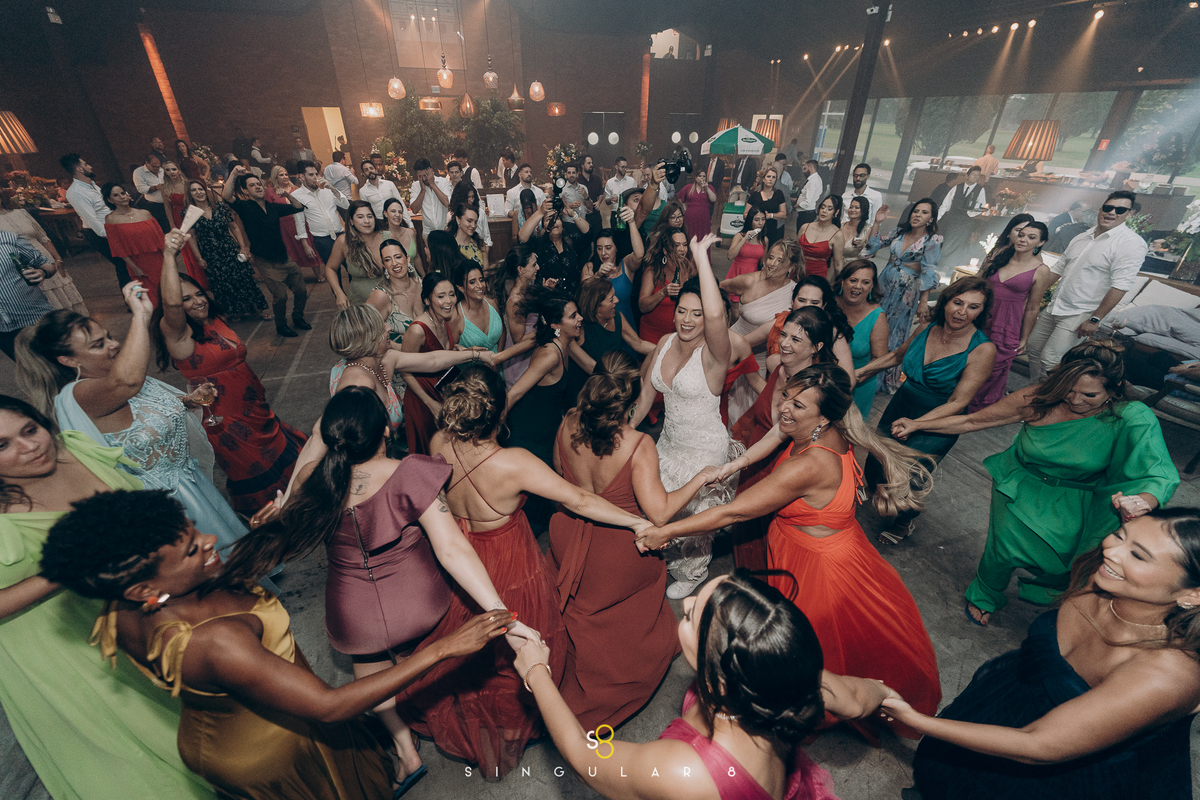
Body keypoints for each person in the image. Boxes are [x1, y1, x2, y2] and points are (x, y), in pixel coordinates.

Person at [38, 488, 510, 800]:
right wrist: (444, 649)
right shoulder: (216, 643)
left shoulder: (125, 603)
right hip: (273, 749)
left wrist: (266, 536)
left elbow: (224, 589)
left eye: (193, 531)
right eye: (190, 549)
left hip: (233, 723)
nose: (208, 539)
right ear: (143, 590)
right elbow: (328, 706)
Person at [642, 363, 941, 733]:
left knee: (810, 652)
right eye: (787, 396)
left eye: (798, 406)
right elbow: (774, 439)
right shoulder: (824, 432)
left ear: (823, 416)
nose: (784, 407)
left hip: (819, 570)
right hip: (829, 549)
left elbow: (732, 511)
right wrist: (730, 466)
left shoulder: (810, 465)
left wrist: (666, 531)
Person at [272, 387, 537, 792]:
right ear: (385, 430)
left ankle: (406, 751)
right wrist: (501, 615)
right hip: (419, 603)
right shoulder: (409, 472)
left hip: (353, 613)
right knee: (438, 659)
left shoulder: (312, 478)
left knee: (369, 676)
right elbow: (451, 550)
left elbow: (308, 460)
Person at [396, 364, 650, 778]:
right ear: (499, 412)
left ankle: (479, 718)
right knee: (524, 635)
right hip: (511, 561)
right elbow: (580, 501)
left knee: (476, 644)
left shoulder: (439, 441)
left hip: (463, 556)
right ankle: (521, 716)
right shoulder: (514, 462)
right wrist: (636, 521)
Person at [891, 509, 1200, 800]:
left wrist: (911, 718)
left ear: (1192, 594)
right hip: (1011, 700)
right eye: (1120, 534)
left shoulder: (1167, 676)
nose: (1111, 551)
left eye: (1138, 555)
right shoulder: (1104, 579)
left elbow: (1037, 744)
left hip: (1065, 766)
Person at [515, 570, 892, 800]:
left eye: (693, 615)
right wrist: (889, 695)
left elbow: (584, 760)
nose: (688, 601)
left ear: (720, 674)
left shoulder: (688, 772)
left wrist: (536, 672)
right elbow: (860, 699)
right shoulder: (783, 674)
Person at [0, 398, 214, 800]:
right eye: (2, 446)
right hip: (57, 650)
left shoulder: (78, 449)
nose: (30, 447)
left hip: (138, 619)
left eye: (30, 429)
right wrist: (68, 568)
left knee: (211, 740)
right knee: (138, 764)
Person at [892, 339, 1179, 626]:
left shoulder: (1129, 416)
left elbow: (1157, 471)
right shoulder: (1038, 399)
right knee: (1002, 551)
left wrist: (1145, 499)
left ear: (1113, 390)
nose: (1076, 400)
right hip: (1020, 487)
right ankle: (985, 593)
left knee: (1066, 559)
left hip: (1076, 496)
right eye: (1069, 390)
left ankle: (1048, 589)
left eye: (1089, 395)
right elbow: (972, 422)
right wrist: (918, 424)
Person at [550, 354, 715, 731]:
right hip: (618, 551)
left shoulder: (568, 421)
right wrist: (698, 479)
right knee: (632, 605)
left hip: (568, 535)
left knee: (577, 612)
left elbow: (561, 481)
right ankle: (617, 682)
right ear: (630, 404)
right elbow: (659, 515)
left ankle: (569, 673)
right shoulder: (638, 444)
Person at [15, 291, 249, 556]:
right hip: (165, 505)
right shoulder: (81, 394)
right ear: (69, 361)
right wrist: (141, 314)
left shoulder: (117, 377)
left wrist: (186, 402)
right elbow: (128, 382)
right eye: (98, 344)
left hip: (192, 485)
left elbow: (141, 416)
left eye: (109, 336)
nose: (114, 345)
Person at [152, 233, 306, 515]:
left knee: (284, 455)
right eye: (187, 299)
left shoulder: (214, 320)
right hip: (225, 421)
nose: (198, 301)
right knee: (254, 471)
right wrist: (168, 256)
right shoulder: (179, 335)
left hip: (256, 409)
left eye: (199, 293)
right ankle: (271, 522)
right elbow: (171, 305)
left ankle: (296, 508)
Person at [632, 235, 742, 599]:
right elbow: (647, 395)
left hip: (703, 451)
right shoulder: (663, 342)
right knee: (663, 513)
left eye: (697, 313)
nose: (689, 319)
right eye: (683, 310)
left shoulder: (715, 353)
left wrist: (700, 257)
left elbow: (715, 314)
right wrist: (622, 434)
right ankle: (667, 556)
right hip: (668, 443)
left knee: (694, 526)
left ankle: (694, 572)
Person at [857, 276, 995, 543]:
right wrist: (860, 371)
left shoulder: (983, 349)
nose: (962, 312)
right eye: (958, 302)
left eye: (973, 306)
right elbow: (897, 356)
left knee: (912, 475)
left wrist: (918, 424)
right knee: (878, 459)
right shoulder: (926, 328)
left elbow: (957, 402)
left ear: (982, 311)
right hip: (904, 401)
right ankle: (876, 493)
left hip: (939, 418)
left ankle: (904, 522)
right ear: (946, 300)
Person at [728, 307, 838, 571]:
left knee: (770, 536)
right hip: (756, 456)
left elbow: (781, 433)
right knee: (746, 524)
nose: (784, 344)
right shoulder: (777, 365)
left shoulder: (819, 386)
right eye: (784, 335)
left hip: (786, 465)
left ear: (817, 347)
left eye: (796, 339)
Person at [1025, 190, 1147, 381]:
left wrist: (1095, 319)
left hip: (1081, 312)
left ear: (1129, 214)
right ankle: (1030, 395)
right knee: (1032, 349)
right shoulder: (1082, 236)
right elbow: (1058, 268)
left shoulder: (1130, 243)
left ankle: (1044, 404)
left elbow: (1121, 286)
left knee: (1051, 360)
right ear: (1100, 209)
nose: (1112, 212)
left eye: (1120, 210)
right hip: (1056, 305)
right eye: (1108, 207)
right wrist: (1033, 295)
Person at [862, 197, 943, 394]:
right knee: (874, 323)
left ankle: (881, 378)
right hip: (884, 284)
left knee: (893, 330)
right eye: (916, 211)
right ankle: (863, 367)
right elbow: (874, 246)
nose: (918, 215)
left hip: (906, 291)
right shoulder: (900, 231)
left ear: (931, 219)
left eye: (924, 212)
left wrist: (923, 301)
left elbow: (929, 271)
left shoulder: (933, 240)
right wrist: (877, 222)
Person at [969, 221, 1051, 411]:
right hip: (981, 315)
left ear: (1041, 243)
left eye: (1032, 237)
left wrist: (1024, 337)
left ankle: (976, 408)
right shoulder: (999, 257)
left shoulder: (1041, 270)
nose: (1023, 239)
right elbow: (977, 285)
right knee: (968, 358)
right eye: (1022, 234)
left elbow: (1032, 307)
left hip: (1007, 323)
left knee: (992, 367)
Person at [222, 167, 311, 337]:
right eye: (252, 185)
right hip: (266, 261)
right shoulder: (245, 207)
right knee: (281, 297)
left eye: (259, 184)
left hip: (284, 257)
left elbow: (298, 207)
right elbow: (226, 196)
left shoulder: (273, 207)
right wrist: (233, 174)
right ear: (246, 191)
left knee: (301, 291)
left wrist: (287, 196)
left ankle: (298, 317)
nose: (257, 187)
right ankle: (281, 325)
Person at [721, 239, 797, 424]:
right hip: (731, 347)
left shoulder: (795, 293)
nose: (772, 263)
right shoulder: (749, 280)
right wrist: (724, 317)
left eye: (780, 260)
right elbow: (717, 288)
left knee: (750, 410)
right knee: (725, 403)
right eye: (771, 257)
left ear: (792, 266)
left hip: (762, 358)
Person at [505, 289, 583, 466]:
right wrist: (493, 427)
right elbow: (514, 393)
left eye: (577, 313)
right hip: (529, 434)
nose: (580, 318)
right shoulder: (550, 355)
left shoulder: (564, 345)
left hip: (546, 428)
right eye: (573, 316)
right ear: (556, 325)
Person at [183, 179, 272, 320]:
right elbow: (191, 237)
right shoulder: (189, 212)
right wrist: (199, 258)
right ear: (190, 194)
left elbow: (234, 227)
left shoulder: (219, 207)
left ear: (205, 190)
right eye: (194, 190)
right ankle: (234, 312)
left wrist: (243, 247)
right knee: (222, 284)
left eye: (200, 189)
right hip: (209, 253)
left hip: (229, 248)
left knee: (244, 278)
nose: (198, 192)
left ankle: (257, 310)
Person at [399, 274, 462, 455]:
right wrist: (430, 403)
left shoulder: (444, 320)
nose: (448, 301)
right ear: (427, 299)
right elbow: (404, 370)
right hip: (422, 399)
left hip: (442, 392)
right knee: (429, 453)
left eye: (452, 294)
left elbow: (441, 353)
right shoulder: (418, 329)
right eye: (441, 296)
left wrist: (459, 349)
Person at [0, 201, 86, 318]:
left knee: (63, 295)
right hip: (20, 263)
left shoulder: (21, 212)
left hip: (45, 258)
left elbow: (43, 237)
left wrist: (58, 258)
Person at [61, 153, 132, 288]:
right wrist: (111, 236)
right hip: (100, 235)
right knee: (124, 265)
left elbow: (104, 207)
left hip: (113, 229)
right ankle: (132, 301)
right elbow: (92, 219)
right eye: (86, 164)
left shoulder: (92, 185)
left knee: (127, 265)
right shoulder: (76, 192)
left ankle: (134, 298)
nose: (90, 166)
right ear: (80, 169)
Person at [836, 260, 889, 419]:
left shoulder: (877, 317)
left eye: (865, 282)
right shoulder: (829, 303)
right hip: (822, 380)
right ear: (843, 281)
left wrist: (852, 380)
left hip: (858, 387)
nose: (857, 286)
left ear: (872, 287)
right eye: (853, 280)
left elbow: (879, 361)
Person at [102, 183, 167, 301]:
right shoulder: (111, 219)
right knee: (149, 296)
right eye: (116, 195)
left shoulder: (144, 213)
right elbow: (117, 246)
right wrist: (133, 266)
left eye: (123, 193)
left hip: (157, 258)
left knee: (167, 289)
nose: (122, 197)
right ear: (110, 200)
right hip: (137, 262)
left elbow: (160, 237)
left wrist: (168, 258)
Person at [0, 231, 56, 360]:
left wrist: (42, 272)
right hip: (3, 331)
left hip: (36, 318)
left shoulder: (9, 239)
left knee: (64, 364)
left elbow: (48, 265)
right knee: (35, 372)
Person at [324, 200, 390, 308]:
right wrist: (339, 293)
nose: (366, 221)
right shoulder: (344, 242)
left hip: (392, 300)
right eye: (360, 217)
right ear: (351, 221)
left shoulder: (388, 237)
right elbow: (330, 268)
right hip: (361, 305)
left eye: (370, 216)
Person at [266, 166, 326, 283]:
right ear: (275, 177)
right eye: (281, 175)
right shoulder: (270, 191)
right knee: (292, 250)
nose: (285, 177)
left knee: (310, 248)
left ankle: (318, 274)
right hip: (285, 226)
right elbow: (270, 210)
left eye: (286, 174)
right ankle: (296, 276)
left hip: (301, 222)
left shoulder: (296, 189)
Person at [493, 244, 541, 389]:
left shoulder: (528, 288)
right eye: (533, 265)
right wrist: (545, 330)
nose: (538, 267)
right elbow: (518, 339)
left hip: (533, 347)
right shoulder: (515, 300)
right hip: (522, 358)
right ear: (521, 269)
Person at [638, 228, 694, 346]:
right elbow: (642, 306)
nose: (682, 249)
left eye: (684, 245)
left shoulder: (691, 270)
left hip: (681, 336)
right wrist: (663, 293)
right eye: (676, 245)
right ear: (665, 250)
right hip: (653, 336)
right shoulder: (653, 271)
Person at [582, 222, 643, 328]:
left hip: (626, 325)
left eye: (608, 248)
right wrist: (598, 275)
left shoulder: (625, 265)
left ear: (616, 248)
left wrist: (632, 222)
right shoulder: (590, 268)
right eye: (599, 248)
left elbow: (639, 254)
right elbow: (584, 296)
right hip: (600, 327)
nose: (603, 253)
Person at [292, 160, 350, 264]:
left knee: (351, 266)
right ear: (302, 177)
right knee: (332, 269)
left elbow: (345, 205)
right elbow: (299, 222)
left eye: (316, 174)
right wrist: (305, 245)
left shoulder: (327, 189)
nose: (315, 178)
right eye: (311, 175)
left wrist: (332, 188)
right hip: (322, 240)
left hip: (340, 235)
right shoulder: (296, 195)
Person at [937, 166, 988, 274]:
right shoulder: (957, 187)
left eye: (977, 175)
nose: (975, 177)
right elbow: (946, 204)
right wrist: (938, 218)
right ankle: (940, 265)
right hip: (953, 219)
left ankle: (951, 268)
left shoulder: (980, 189)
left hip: (966, 221)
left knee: (960, 245)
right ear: (967, 175)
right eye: (974, 174)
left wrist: (970, 213)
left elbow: (981, 206)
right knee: (947, 242)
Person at [453, 259, 504, 353]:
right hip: (471, 366)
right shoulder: (456, 316)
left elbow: (502, 331)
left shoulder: (492, 303)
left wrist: (498, 358)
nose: (480, 285)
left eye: (481, 280)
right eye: (472, 282)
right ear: (460, 288)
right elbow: (451, 350)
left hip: (498, 362)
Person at [724, 204, 770, 302]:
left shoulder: (764, 240)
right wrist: (744, 239)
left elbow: (763, 262)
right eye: (757, 220)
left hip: (753, 276)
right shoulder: (739, 236)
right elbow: (730, 256)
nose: (760, 223)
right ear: (750, 221)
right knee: (735, 311)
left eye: (763, 219)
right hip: (737, 273)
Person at [409, 158, 453, 255]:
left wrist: (432, 184)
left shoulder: (443, 182)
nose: (424, 179)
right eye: (420, 176)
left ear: (431, 171)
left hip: (445, 231)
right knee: (432, 262)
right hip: (428, 234)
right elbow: (415, 210)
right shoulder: (416, 186)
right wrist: (423, 190)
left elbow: (447, 203)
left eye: (425, 175)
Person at [798, 195, 846, 280]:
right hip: (798, 272)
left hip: (817, 277)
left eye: (829, 209)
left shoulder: (837, 235)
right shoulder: (805, 227)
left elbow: (838, 263)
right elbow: (794, 252)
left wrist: (839, 285)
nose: (824, 211)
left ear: (836, 212)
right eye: (822, 207)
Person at [448, 180, 493, 255]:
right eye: (468, 197)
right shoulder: (451, 215)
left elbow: (487, 239)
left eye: (473, 197)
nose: (471, 200)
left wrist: (483, 256)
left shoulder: (480, 212)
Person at [381, 197, 420, 275]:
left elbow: (416, 258)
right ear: (385, 213)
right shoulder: (381, 237)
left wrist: (423, 276)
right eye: (393, 211)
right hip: (394, 281)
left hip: (414, 278)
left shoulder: (410, 232)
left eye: (400, 212)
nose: (397, 215)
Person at [133, 152, 171, 232]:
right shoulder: (139, 172)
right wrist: (156, 187)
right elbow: (141, 189)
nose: (157, 169)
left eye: (158, 166)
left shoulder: (161, 170)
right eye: (154, 167)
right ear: (147, 163)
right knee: (164, 228)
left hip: (168, 202)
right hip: (155, 205)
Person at [749, 166, 788, 243]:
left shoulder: (779, 194)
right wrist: (757, 216)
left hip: (773, 230)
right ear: (763, 179)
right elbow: (745, 214)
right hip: (757, 231)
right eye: (768, 176)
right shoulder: (755, 195)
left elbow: (784, 214)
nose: (771, 179)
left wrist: (770, 215)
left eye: (773, 177)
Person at [449, 202, 488, 272]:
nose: (473, 226)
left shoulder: (479, 242)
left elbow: (486, 271)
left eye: (475, 222)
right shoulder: (449, 245)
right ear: (458, 219)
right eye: (469, 221)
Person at [840, 195, 880, 264]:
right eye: (851, 207)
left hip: (853, 267)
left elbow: (873, 254)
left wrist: (863, 246)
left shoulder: (867, 230)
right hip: (834, 265)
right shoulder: (841, 226)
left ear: (863, 210)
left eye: (857, 208)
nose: (852, 210)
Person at [677, 169, 716, 238]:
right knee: (690, 235)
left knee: (703, 236)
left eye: (704, 176)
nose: (702, 178)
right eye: (699, 176)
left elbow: (713, 199)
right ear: (695, 177)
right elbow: (680, 197)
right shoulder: (688, 187)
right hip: (690, 217)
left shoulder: (709, 187)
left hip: (704, 217)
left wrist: (707, 188)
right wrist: (685, 208)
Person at [796, 159, 823, 227]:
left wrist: (796, 206)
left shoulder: (813, 182)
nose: (803, 171)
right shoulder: (817, 179)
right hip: (808, 213)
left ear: (811, 167)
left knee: (801, 235)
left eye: (805, 168)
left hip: (806, 214)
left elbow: (807, 202)